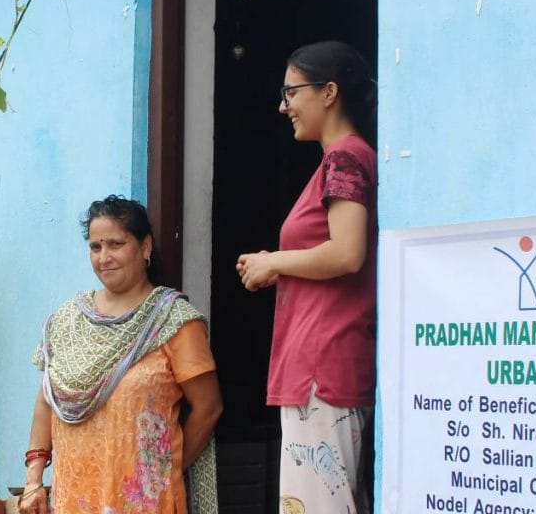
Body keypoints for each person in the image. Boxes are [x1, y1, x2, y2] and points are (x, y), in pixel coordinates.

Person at [236, 41, 377, 514]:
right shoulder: (344, 159)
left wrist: (275, 261)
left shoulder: (345, 158)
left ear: (329, 92)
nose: (283, 105)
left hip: (323, 367)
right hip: (323, 363)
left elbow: (347, 252)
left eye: (291, 91)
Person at [19, 195, 222, 514]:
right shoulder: (67, 319)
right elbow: (48, 400)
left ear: (145, 247)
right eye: (95, 247)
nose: (104, 257)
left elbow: (208, 408)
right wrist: (33, 481)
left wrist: (162, 469)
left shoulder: (173, 320)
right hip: (73, 499)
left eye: (116, 244)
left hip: (143, 502)